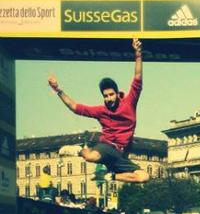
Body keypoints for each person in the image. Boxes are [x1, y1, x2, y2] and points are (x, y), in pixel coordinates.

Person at [47, 38, 149, 183]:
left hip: (121, 155)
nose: (109, 99)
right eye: (105, 96)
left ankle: (109, 176)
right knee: (91, 157)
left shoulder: (129, 102)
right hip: (106, 147)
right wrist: (58, 90)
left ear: (117, 93)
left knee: (144, 177)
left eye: (111, 95)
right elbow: (75, 107)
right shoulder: (100, 111)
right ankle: (78, 150)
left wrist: (138, 53)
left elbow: (138, 77)